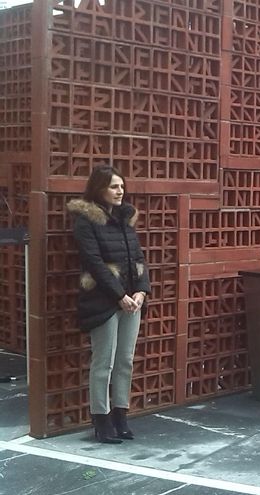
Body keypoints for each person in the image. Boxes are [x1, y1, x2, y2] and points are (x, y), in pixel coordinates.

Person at [68, 166, 151, 444]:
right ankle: (101, 421)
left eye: (122, 186)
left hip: (131, 301)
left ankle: (120, 416)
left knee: (125, 361)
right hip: (103, 301)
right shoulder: (86, 221)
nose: (120, 191)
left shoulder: (125, 218)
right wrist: (119, 295)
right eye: (114, 186)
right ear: (99, 188)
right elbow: (94, 263)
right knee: (103, 362)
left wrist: (141, 291)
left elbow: (139, 259)